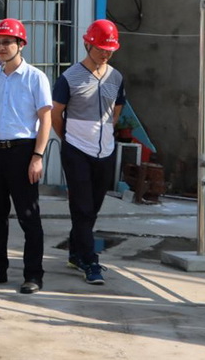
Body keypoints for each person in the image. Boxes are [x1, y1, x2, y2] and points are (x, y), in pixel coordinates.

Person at [0, 18, 52, 294]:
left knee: (29, 216)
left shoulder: (35, 78)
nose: (2, 47)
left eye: (8, 42)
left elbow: (45, 119)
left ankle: (33, 275)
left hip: (23, 152)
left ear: (21, 44)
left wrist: (38, 156)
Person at [52, 19, 125, 286]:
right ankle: (90, 261)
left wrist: (102, 134)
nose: (105, 54)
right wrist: (70, 139)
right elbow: (56, 115)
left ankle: (75, 252)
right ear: (88, 44)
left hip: (105, 151)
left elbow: (116, 110)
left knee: (92, 207)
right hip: (76, 150)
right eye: (101, 48)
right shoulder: (69, 78)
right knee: (81, 207)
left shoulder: (116, 77)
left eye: (109, 50)